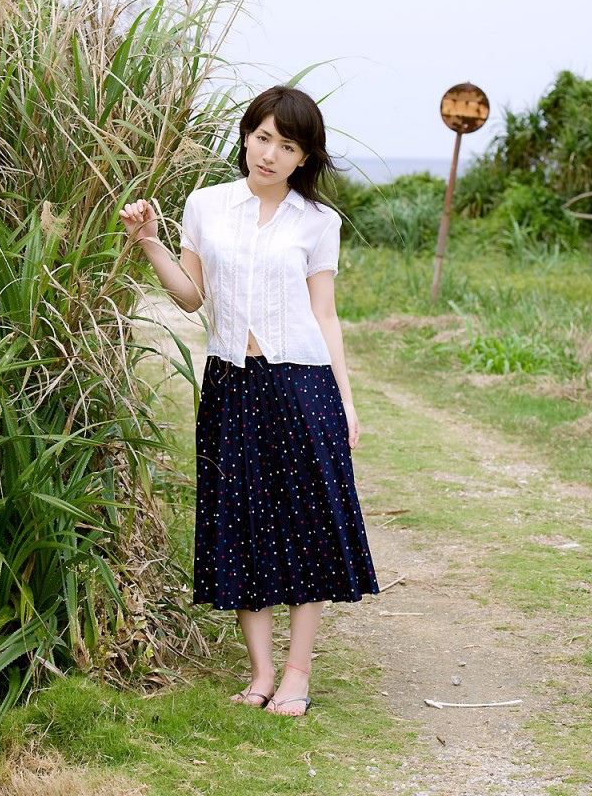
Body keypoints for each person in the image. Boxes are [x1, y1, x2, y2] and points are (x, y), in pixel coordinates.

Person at [120, 86, 378, 717]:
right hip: (231, 383)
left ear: (303, 158)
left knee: (307, 524)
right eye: (263, 138)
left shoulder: (317, 222)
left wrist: (346, 401)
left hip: (303, 383)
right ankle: (260, 673)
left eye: (286, 146)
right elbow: (189, 296)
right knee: (240, 521)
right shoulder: (206, 205)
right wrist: (150, 241)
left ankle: (297, 673)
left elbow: (325, 313)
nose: (269, 154)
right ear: (245, 136)